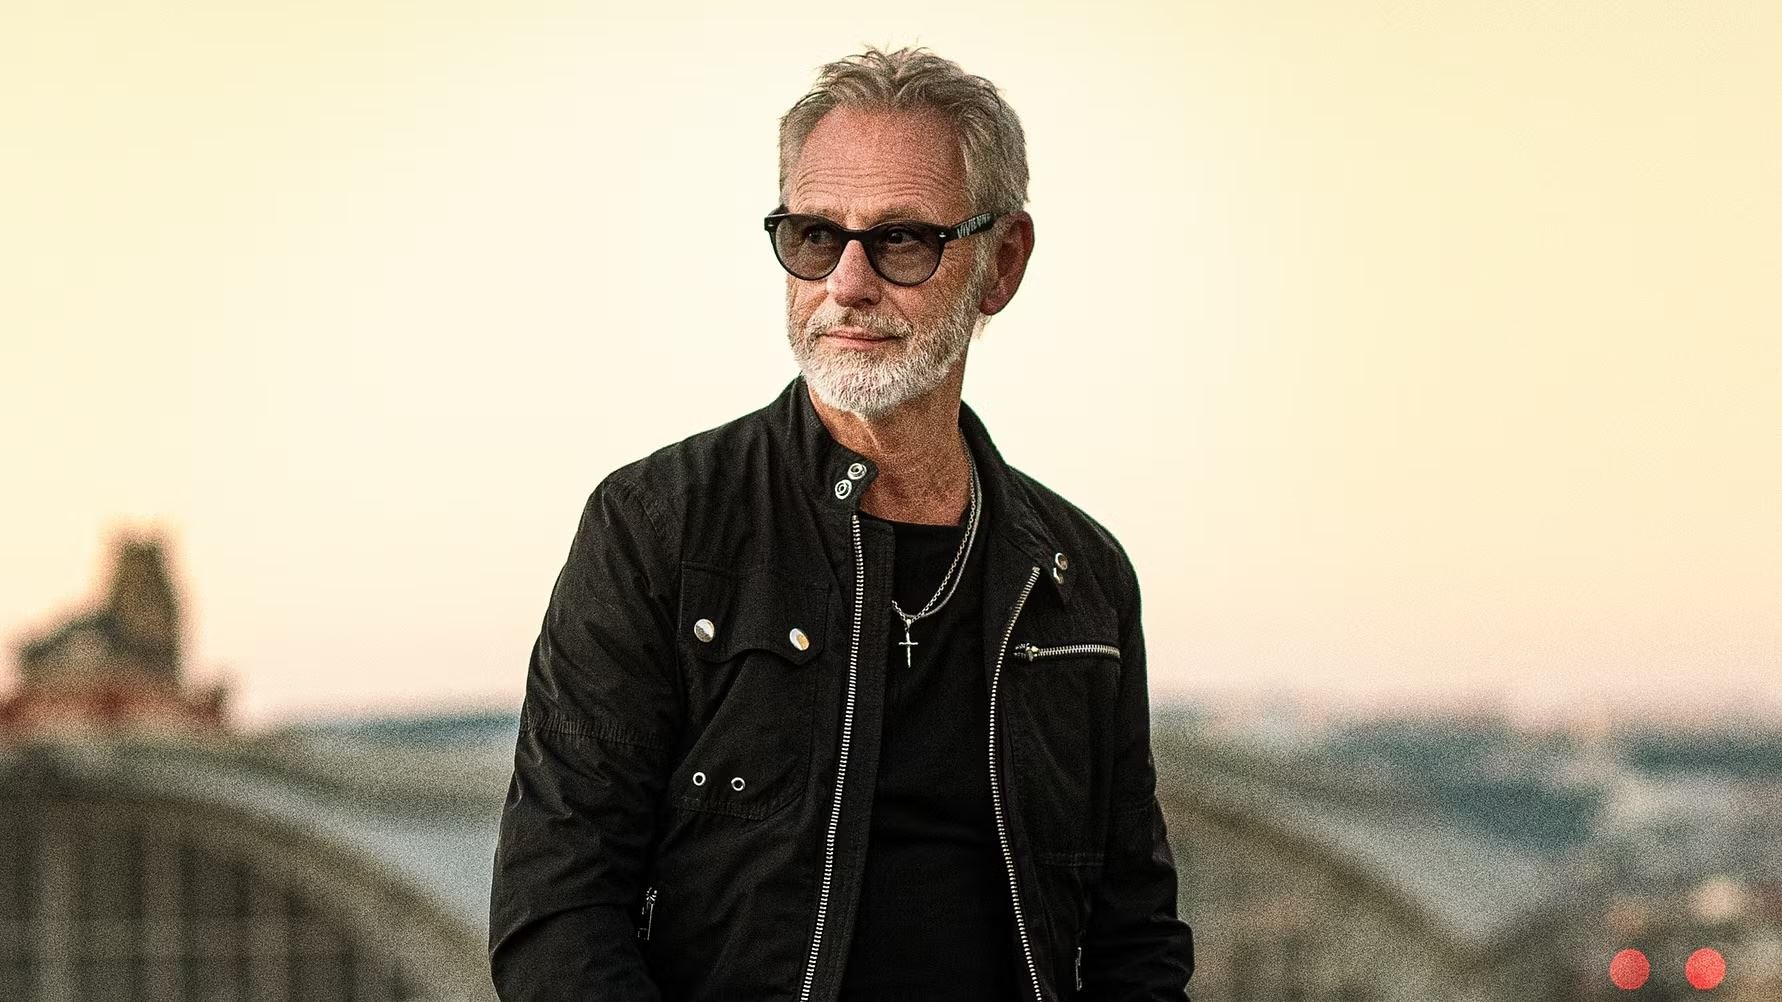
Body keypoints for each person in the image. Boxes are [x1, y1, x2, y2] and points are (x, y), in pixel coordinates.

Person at [488, 46, 1193, 1002]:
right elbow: (557, 910)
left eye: (901, 241)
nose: (847, 284)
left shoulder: (1080, 577)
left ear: (1002, 263)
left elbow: (1135, 939)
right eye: (816, 236)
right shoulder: (657, 528)